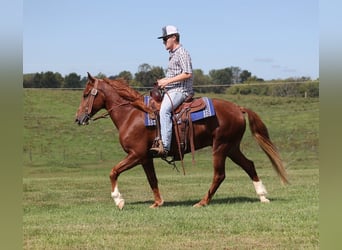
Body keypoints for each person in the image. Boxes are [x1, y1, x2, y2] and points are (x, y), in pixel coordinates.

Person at [150, 25, 194, 157]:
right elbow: (174, 74)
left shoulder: (182, 52)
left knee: (164, 111)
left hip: (181, 90)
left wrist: (167, 82)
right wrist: (162, 81)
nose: (163, 42)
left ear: (174, 38)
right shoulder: (173, 54)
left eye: (165, 39)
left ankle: (166, 146)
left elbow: (187, 73)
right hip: (172, 89)